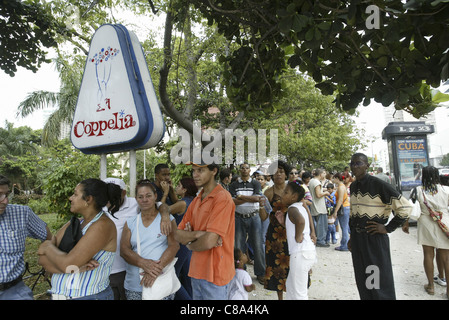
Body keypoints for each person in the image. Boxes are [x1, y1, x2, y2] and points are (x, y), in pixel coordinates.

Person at [38, 178, 122, 300]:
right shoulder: (74, 224)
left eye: (75, 194)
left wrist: (47, 246)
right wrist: (71, 268)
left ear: (88, 199)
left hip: (88, 296)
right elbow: (42, 261)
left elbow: (68, 264)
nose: (70, 198)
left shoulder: (102, 225)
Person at [349, 153, 412, 300]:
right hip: (358, 240)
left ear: (367, 166)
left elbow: (406, 207)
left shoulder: (379, 185)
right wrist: (352, 236)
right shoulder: (353, 186)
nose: (354, 166)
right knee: (363, 279)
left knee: (376, 281)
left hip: (374, 240)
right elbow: (353, 214)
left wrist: (387, 228)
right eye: (352, 163)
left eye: (358, 163)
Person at [103, 177, 173, 300]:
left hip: (126, 270)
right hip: (106, 271)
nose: (110, 201)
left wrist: (166, 215)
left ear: (123, 193)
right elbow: (124, 250)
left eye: (113, 196)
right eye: (107, 196)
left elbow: (160, 205)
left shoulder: (135, 203)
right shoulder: (101, 206)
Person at [174, 161, 235, 300]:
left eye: (200, 171)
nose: (195, 175)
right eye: (193, 171)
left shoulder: (222, 198)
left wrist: (189, 242)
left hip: (216, 274)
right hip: (196, 271)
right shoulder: (197, 200)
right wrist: (197, 235)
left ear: (214, 171)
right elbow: (177, 234)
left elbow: (208, 242)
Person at [120, 180, 179, 300]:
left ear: (155, 196)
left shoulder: (167, 219)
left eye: (148, 196)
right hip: (134, 285)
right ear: (136, 198)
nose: (145, 200)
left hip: (161, 283)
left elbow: (174, 246)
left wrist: (154, 270)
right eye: (140, 197)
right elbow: (124, 250)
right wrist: (143, 263)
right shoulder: (130, 222)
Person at [0, 175, 52, 300]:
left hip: (13, 291)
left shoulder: (21, 213)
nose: (5, 201)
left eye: (6, 195)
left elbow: (49, 238)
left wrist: (50, 261)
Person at [403, 166, 449, 299]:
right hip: (444, 222)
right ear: (437, 175)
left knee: (428, 255)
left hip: (425, 223)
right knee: (446, 258)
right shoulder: (446, 189)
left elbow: (409, 207)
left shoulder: (417, 190)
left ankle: (431, 286)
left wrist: (405, 223)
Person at [275, 180, 316, 300]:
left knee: (299, 293)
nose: (283, 195)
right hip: (304, 253)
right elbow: (298, 223)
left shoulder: (293, 209)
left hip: (300, 253)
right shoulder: (299, 207)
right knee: (291, 287)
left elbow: (301, 222)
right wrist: (284, 223)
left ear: (294, 197)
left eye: (286, 192)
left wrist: (298, 236)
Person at [229, 163, 265, 285]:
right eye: (242, 168)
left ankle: (260, 273)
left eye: (246, 168)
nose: (244, 170)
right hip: (239, 217)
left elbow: (257, 199)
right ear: (239, 170)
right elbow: (233, 202)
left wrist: (241, 196)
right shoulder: (233, 185)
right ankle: (241, 272)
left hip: (254, 217)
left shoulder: (255, 183)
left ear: (250, 170)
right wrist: (248, 198)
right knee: (239, 246)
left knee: (258, 245)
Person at [263, 160, 290, 300]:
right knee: (276, 268)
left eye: (281, 171)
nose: (278, 174)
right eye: (275, 172)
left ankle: (294, 295)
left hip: (291, 233)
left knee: (294, 265)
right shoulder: (268, 192)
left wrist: (312, 233)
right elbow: (263, 217)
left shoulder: (293, 189)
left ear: (286, 174)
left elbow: (304, 210)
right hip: (275, 236)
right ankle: (280, 298)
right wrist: (261, 206)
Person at [169, 177, 198, 300]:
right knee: (187, 276)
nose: (176, 187)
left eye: (179, 185)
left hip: (179, 243)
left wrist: (165, 193)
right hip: (188, 244)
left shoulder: (182, 204)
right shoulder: (194, 201)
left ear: (185, 189)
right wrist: (170, 190)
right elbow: (178, 201)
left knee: (171, 277)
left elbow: (162, 211)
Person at [308, 169, 330, 247]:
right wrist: (326, 193)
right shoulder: (317, 182)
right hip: (319, 207)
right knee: (322, 225)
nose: (325, 175)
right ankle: (321, 241)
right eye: (324, 173)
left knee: (317, 225)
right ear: (320, 174)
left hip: (314, 206)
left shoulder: (311, 181)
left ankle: (318, 239)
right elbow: (318, 194)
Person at [332, 172, 351, 251]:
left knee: (344, 228)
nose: (333, 180)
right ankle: (345, 244)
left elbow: (340, 200)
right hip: (345, 207)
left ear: (337, 178)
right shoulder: (341, 186)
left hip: (343, 208)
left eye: (334, 178)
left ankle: (344, 245)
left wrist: (335, 211)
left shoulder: (340, 187)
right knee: (345, 227)